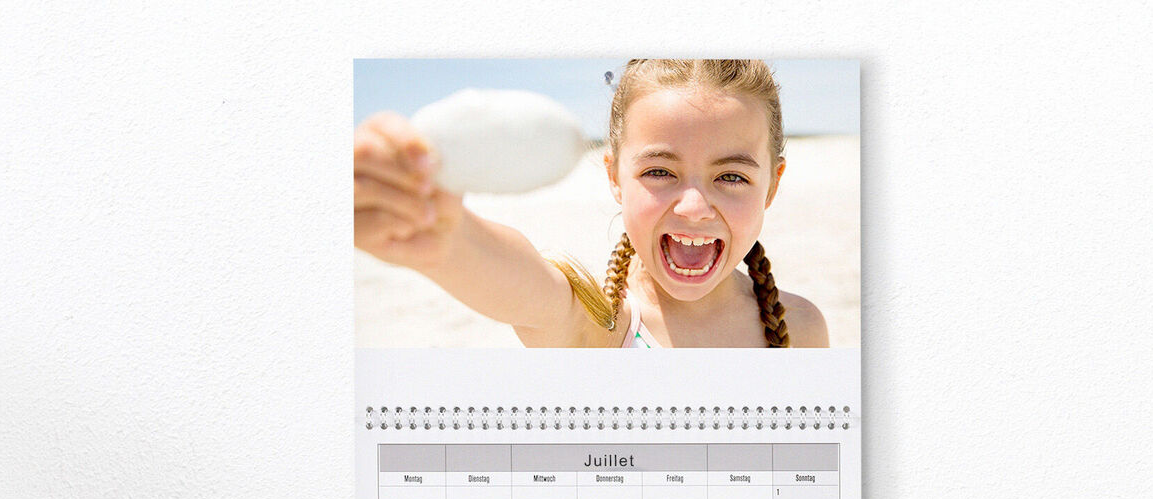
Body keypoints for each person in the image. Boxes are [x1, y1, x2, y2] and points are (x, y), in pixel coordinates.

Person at [354, 59, 828, 348]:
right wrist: (444, 238)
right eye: (659, 172)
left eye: (732, 176)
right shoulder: (598, 324)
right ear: (614, 178)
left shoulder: (799, 330)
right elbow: (529, 288)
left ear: (772, 184)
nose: (692, 206)